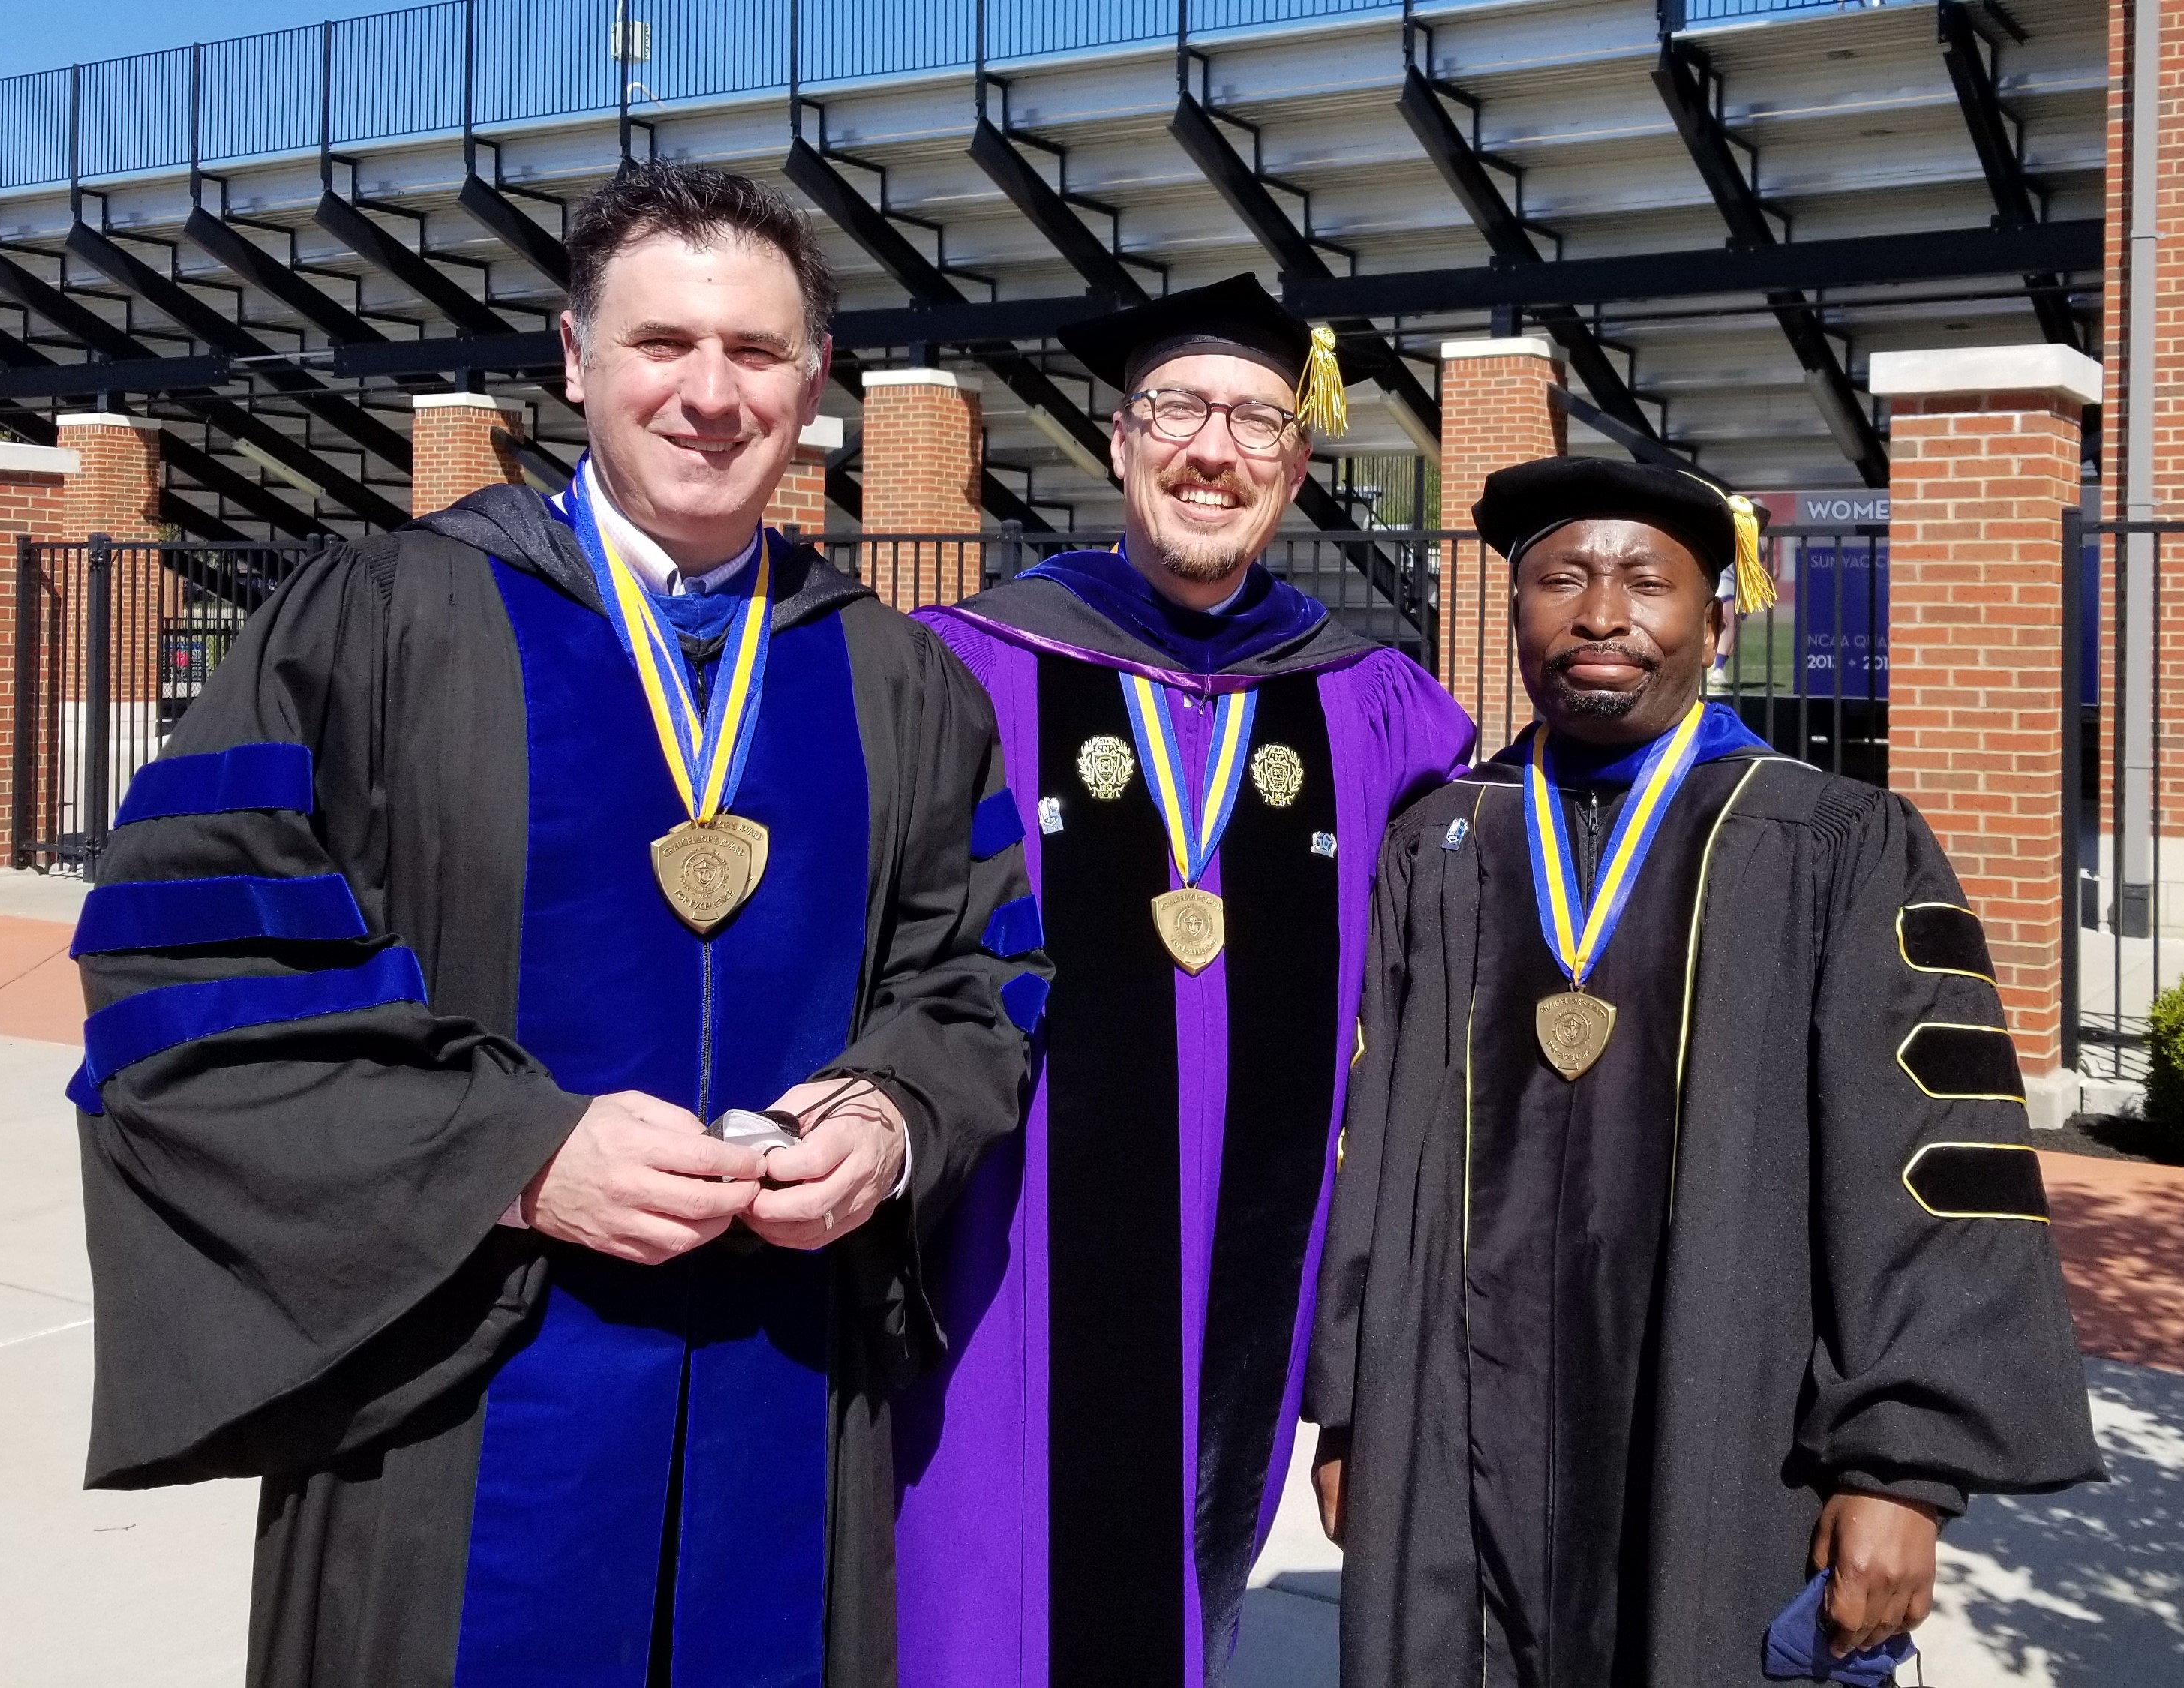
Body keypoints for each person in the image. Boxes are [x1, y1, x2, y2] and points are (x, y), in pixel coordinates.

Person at [69, 159, 1047, 1688]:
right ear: (576, 359)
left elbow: (983, 970)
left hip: (785, 1383)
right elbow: (191, 974)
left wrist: (893, 1111)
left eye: (753, 352)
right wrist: (513, 1155)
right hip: (457, 1393)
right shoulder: (381, 623)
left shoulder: (896, 681)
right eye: (663, 344)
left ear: (813, 383)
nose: (709, 395)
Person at [1305, 455, 2104, 1688]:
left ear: (1718, 620)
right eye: (1561, 577)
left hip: (1723, 1449)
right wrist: (1355, 1411)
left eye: (1647, 581)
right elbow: (1367, 1144)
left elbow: (1928, 1162)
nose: (1603, 613)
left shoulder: (1830, 845)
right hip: (1451, 1444)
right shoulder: (1441, 843)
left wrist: (1900, 1471)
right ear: (1516, 611)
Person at [897, 273, 1474, 1687]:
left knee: (1190, 1585)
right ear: (1117, 436)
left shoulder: (1370, 701)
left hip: (1253, 1261)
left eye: (1259, 422)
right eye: (1177, 410)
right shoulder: (969, 670)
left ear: (1297, 459)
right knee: (996, 1594)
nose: (1213, 450)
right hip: (1010, 1263)